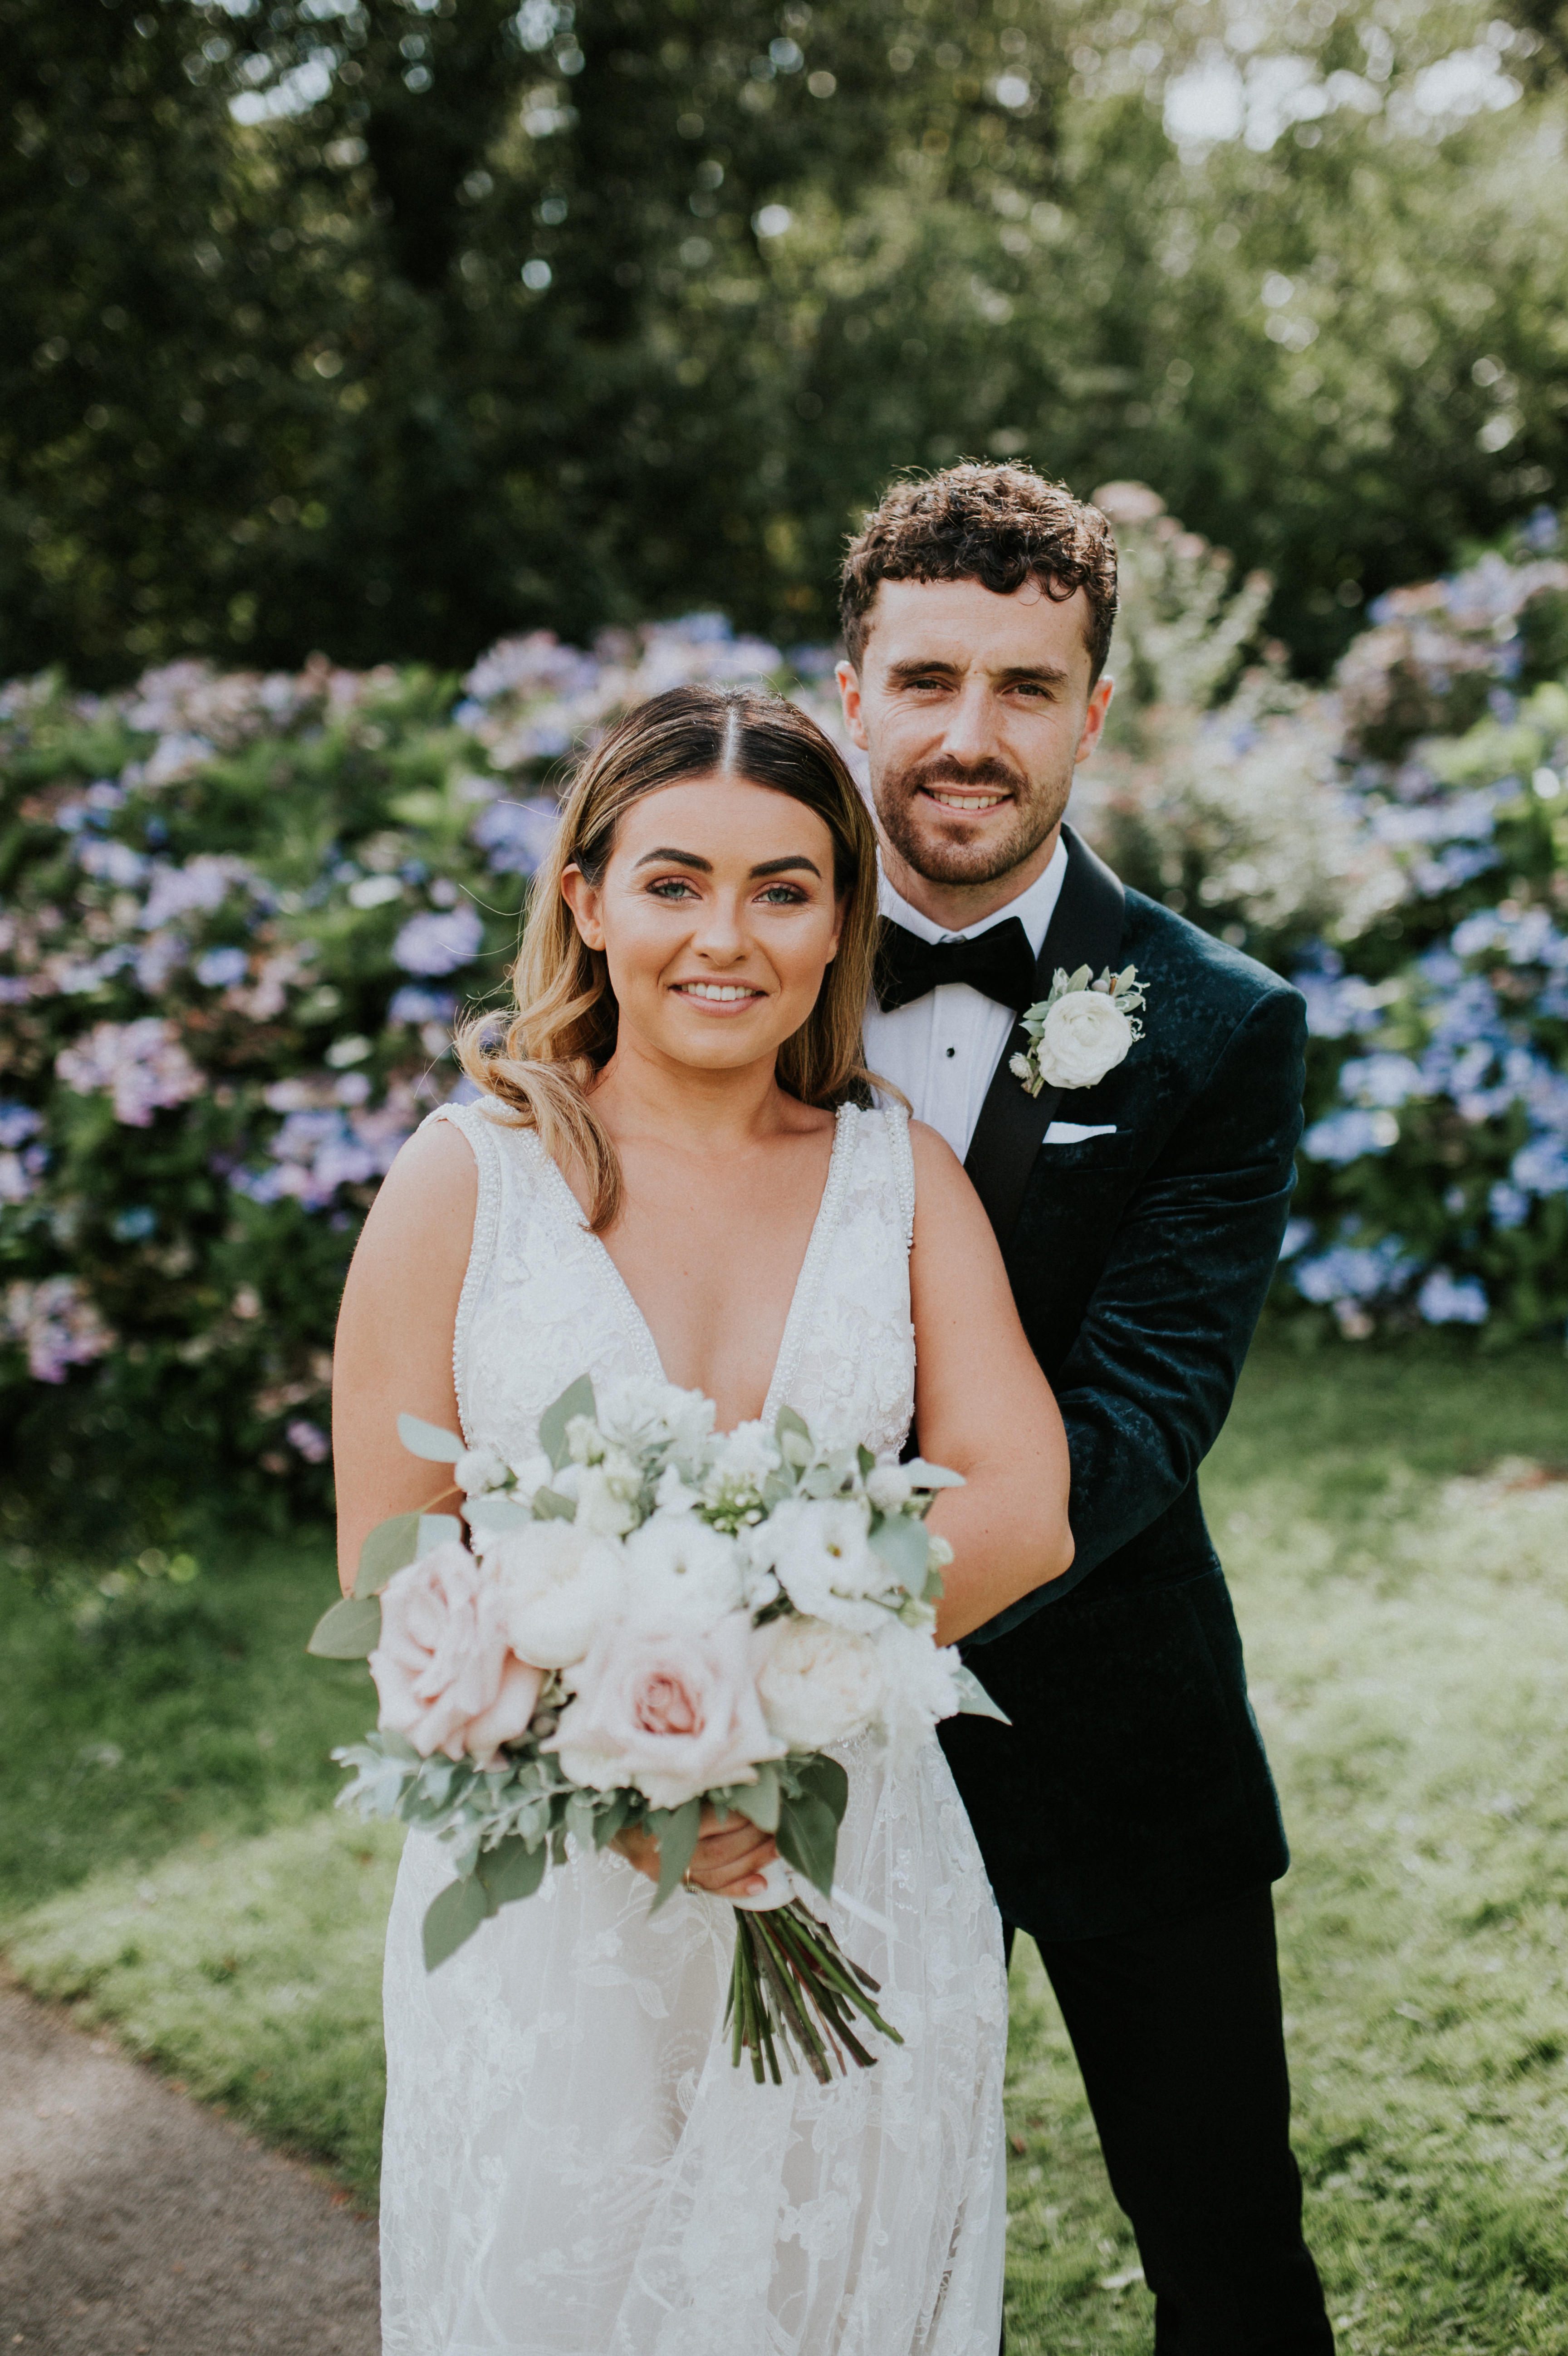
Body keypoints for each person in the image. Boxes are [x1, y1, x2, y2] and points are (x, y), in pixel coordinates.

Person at [332, 683, 1074, 2356]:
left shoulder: (898, 1175)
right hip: (550, 1907)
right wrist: (622, 1778)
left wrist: (757, 1714)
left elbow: (1021, 1509)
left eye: (783, 887)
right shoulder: (467, 1177)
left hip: (851, 1860)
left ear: (840, 925)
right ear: (587, 901)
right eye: (674, 882)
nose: (723, 936)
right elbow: (395, 1569)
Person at [840, 463, 1333, 2354]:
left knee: (1223, 2253)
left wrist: (827, 1621)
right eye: (928, 679)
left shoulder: (1216, 1022)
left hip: (1121, 1737)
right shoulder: (736, 957)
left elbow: (1139, 1415)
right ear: (854, 689)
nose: (970, 736)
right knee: (822, 2246)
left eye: (1023, 687)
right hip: (793, 1778)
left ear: (1092, 712)